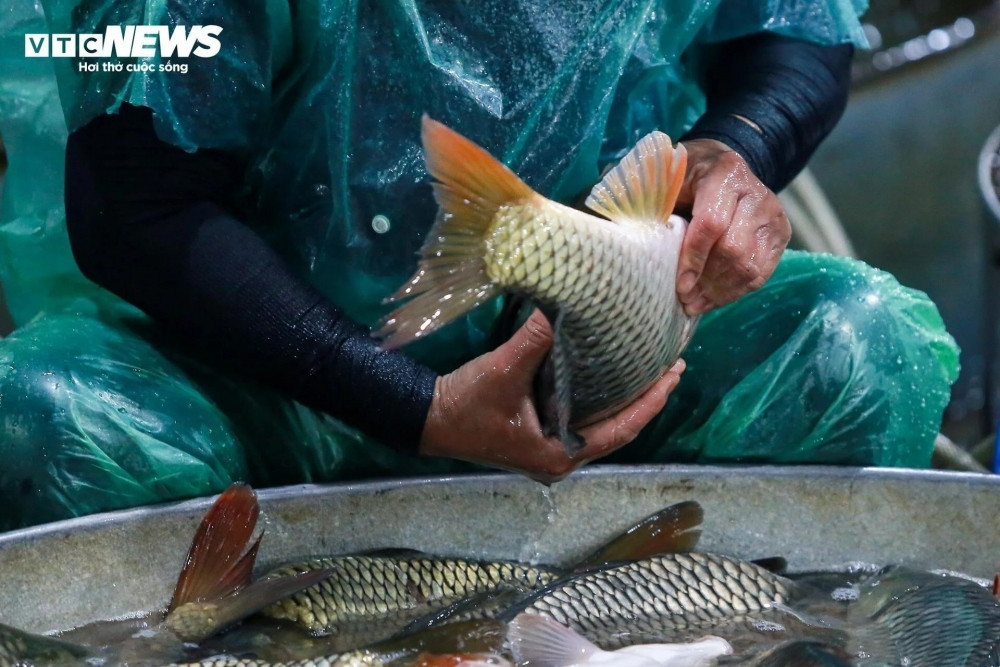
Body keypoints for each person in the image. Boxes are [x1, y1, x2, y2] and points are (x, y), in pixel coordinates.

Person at [0, 0, 958, 530]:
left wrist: (738, 144)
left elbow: (791, 31)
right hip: (262, 383)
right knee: (38, 426)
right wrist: (409, 406)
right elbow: (134, 200)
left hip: (605, 367)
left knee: (863, 350)